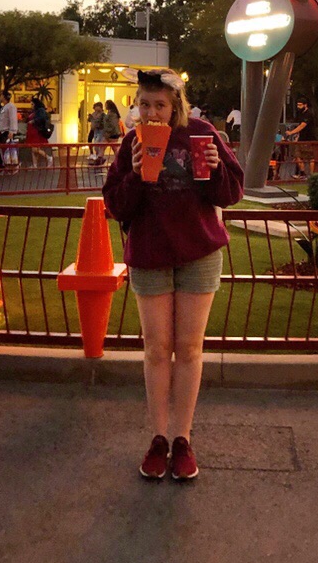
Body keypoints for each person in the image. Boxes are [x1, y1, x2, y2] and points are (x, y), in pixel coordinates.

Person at [103, 68, 243, 481]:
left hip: (198, 252)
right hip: (149, 253)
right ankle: (159, 437)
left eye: (160, 105)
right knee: (156, 348)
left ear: (175, 106)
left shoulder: (201, 132)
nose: (151, 113)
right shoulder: (132, 141)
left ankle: (183, 438)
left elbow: (231, 193)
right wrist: (132, 172)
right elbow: (117, 206)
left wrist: (217, 168)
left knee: (190, 347)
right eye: (144, 105)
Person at [285, 96, 316, 179]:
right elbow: (300, 126)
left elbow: (302, 126)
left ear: (305, 105)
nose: (298, 107)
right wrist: (297, 136)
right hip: (301, 138)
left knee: (310, 157)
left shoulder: (309, 114)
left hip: (308, 138)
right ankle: (302, 173)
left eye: (300, 105)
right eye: (297, 105)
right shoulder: (301, 114)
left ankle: (312, 175)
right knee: (297, 155)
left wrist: (291, 132)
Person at [25, 98, 54, 167]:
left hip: (35, 131)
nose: (31, 106)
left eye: (32, 104)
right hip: (32, 131)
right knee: (34, 149)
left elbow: (41, 118)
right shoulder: (35, 111)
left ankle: (48, 157)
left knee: (34, 148)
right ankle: (35, 164)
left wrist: (33, 121)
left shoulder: (39, 110)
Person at [0, 91, 19, 173]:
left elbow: (12, 119)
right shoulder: (4, 107)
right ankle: (7, 167)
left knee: (10, 150)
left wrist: (12, 131)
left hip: (7, 131)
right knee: (4, 150)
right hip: (2, 131)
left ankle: (13, 167)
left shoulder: (11, 107)